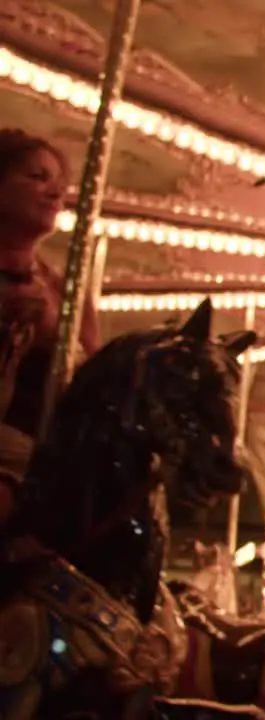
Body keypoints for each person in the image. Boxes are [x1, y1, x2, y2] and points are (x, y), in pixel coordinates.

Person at [0, 129, 99, 524]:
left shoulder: (65, 290)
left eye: (59, 183)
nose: (55, 192)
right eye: (36, 177)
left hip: (43, 444)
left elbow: (93, 374)